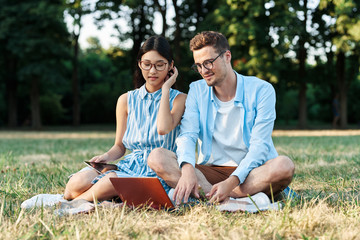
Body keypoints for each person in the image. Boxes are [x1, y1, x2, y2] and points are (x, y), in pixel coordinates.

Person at [148, 31, 295, 205]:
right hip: (211, 172)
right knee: (157, 157)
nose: (204, 71)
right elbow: (187, 134)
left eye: (208, 63)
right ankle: (230, 197)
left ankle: (213, 197)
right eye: (199, 66)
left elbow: (260, 146)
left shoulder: (262, 90)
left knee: (284, 165)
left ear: (227, 56)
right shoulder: (197, 90)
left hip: (252, 172)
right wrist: (187, 169)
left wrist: (231, 181)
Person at [64, 36, 186, 202]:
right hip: (130, 165)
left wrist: (166, 89)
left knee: (110, 182)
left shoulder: (179, 99)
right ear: (139, 63)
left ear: (171, 66)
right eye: (147, 64)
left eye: (160, 65)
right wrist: (105, 157)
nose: (152, 71)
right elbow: (120, 146)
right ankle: (100, 198)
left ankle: (78, 203)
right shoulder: (126, 100)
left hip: (158, 168)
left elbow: (164, 128)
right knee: (74, 185)